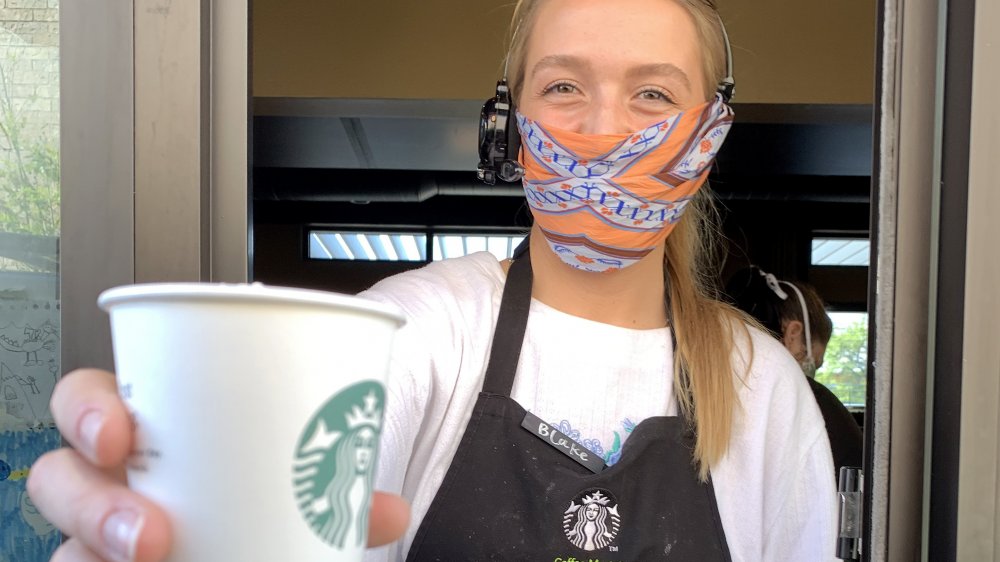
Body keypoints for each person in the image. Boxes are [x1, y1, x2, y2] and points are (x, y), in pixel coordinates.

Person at [29, 0, 838, 560]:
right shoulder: (415, 334)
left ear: (708, 136)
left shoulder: (759, 386)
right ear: (511, 123)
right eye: (563, 87)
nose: (602, 131)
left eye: (652, 94)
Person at [724, 265, 865, 474]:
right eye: (814, 361)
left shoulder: (714, 390)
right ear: (793, 333)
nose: (811, 374)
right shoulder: (812, 401)